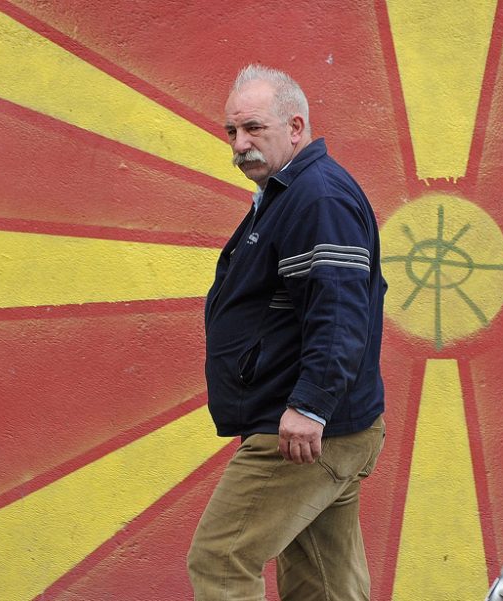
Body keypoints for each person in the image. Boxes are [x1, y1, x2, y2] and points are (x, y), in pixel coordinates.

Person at [187, 64, 387, 600]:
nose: (240, 144)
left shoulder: (315, 198)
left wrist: (311, 405)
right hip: (330, 428)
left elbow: (340, 310)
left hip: (306, 429)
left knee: (221, 558)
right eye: (232, 132)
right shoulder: (286, 193)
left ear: (296, 127)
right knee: (324, 584)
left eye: (254, 128)